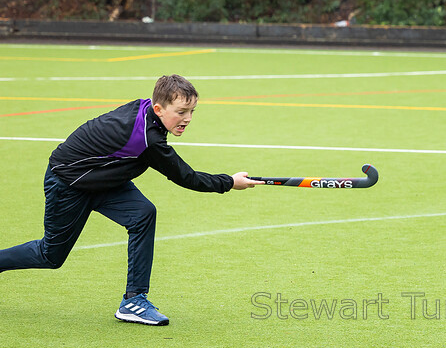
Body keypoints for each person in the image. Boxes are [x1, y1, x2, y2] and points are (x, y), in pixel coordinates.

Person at [0, 74, 263, 326]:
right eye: (181, 112)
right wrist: (229, 182)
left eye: (192, 111)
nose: (188, 118)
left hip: (102, 179)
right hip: (69, 184)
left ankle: (134, 301)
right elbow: (186, 177)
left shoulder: (146, 110)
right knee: (50, 255)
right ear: (159, 109)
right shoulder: (148, 139)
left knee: (143, 213)